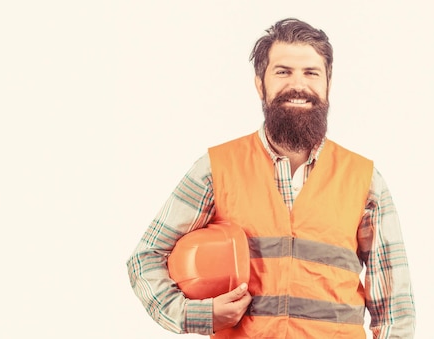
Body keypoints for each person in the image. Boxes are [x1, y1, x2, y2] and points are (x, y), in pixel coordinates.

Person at [126, 18, 416, 338]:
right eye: (283, 71)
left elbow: (395, 311)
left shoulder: (365, 180)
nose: (298, 84)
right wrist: (197, 315)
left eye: (311, 72)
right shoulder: (215, 169)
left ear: (328, 84)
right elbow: (145, 259)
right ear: (260, 84)